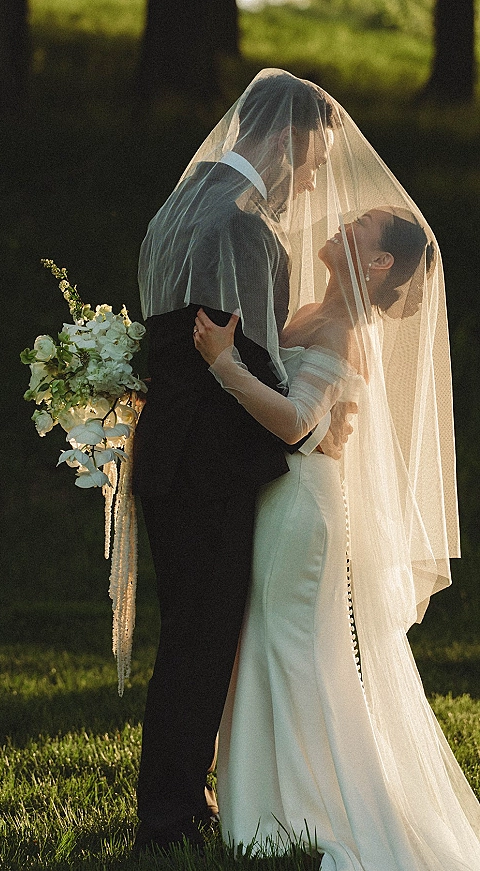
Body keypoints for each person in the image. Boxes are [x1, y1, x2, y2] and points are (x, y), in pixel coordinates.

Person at [194, 187, 480, 867]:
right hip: (280, 495)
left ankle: (310, 806)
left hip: (303, 509)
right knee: (269, 639)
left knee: (293, 645)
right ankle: (268, 801)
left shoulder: (343, 331)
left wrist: (223, 364)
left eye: (361, 226)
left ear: (379, 262)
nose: (343, 224)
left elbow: (297, 423)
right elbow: (311, 421)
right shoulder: (309, 312)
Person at [131, 71, 341, 854]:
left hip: (168, 451)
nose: (314, 176)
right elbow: (260, 359)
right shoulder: (245, 224)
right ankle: (171, 816)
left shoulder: (179, 206)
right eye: (316, 158)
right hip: (211, 460)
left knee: (187, 631)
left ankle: (177, 796)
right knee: (205, 637)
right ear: (288, 137)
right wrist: (317, 418)